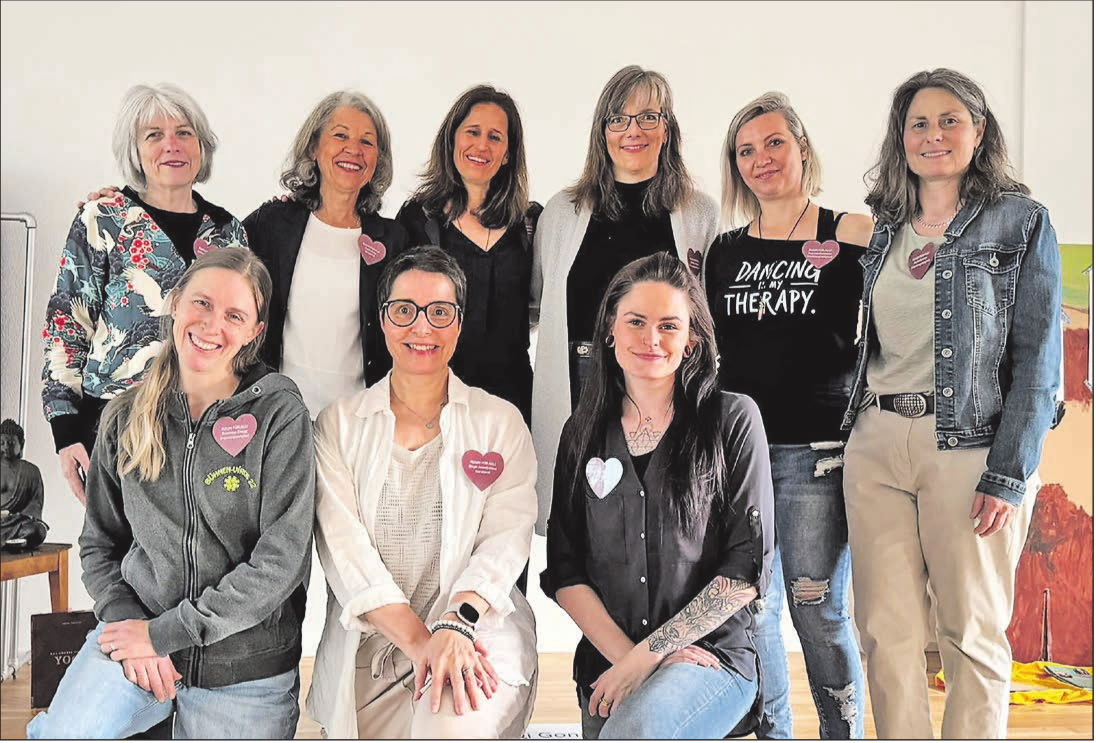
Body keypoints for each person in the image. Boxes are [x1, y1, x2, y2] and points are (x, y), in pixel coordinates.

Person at [842, 68, 1063, 739]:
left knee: (970, 631)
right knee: (885, 632)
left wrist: (1009, 473)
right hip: (877, 441)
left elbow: (1039, 363)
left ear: (979, 130)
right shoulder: (883, 225)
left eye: (949, 121)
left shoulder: (1020, 222)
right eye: (919, 123)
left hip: (970, 448)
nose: (933, 135)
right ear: (901, 136)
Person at [27, 247, 315, 739]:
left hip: (244, 666)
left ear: (255, 331)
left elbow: (280, 561)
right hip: (135, 639)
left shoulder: (279, 414)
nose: (211, 324)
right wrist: (131, 627)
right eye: (201, 303)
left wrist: (164, 635)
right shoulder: (124, 416)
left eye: (234, 315)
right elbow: (100, 546)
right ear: (175, 302)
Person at [306, 245, 538, 738]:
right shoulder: (338, 425)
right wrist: (423, 645)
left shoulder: (500, 423)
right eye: (404, 310)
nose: (422, 327)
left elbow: (505, 540)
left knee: (445, 726)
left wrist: (454, 626)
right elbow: (346, 555)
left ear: (459, 323)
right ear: (382, 319)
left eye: (440, 312)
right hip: (376, 644)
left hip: (474, 634)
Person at [542, 253, 774, 739]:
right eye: (636, 322)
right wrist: (631, 659)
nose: (651, 338)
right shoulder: (580, 433)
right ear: (610, 330)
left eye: (669, 325)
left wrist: (652, 653)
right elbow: (565, 571)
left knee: (639, 730)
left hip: (708, 657)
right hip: (609, 665)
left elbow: (744, 572)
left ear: (692, 340)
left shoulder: (734, 419)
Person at [702, 92, 874, 738]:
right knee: (753, 611)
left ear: (802, 147)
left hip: (817, 454)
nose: (761, 159)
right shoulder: (723, 252)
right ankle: (774, 733)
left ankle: (841, 733)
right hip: (739, 457)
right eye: (746, 151)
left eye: (774, 142)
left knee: (818, 610)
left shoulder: (850, 233)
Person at [531, 64, 719, 530]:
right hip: (581, 379)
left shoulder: (698, 213)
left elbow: (708, 315)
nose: (632, 131)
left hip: (664, 381)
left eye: (648, 117)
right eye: (618, 119)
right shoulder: (562, 213)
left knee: (658, 519)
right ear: (602, 131)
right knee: (581, 521)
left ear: (667, 129)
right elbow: (538, 303)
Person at [43, 83, 247, 505]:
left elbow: (243, 331)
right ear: (135, 150)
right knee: (120, 545)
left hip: (207, 426)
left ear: (202, 146)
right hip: (117, 423)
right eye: (154, 135)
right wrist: (65, 431)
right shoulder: (104, 218)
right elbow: (67, 324)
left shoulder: (229, 233)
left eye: (184, 132)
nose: (172, 145)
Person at [242, 90, 411, 418]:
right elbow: (218, 271)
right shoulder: (272, 224)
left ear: (378, 158)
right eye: (340, 135)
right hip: (279, 418)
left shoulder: (393, 240)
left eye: (367, 141)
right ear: (313, 147)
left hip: (360, 422)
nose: (354, 150)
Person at [395, 84, 541, 424]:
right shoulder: (418, 220)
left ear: (508, 153)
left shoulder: (530, 224)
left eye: (495, 137)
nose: (482, 145)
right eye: (472, 132)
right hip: (435, 403)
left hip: (513, 405)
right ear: (452, 140)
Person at [0, 418, 48, 552]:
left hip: (18, 523)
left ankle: (13, 541)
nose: (6, 447)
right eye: (2, 443)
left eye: (11, 443)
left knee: (38, 530)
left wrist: (17, 516)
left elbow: (36, 503)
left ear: (21, 444)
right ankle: (11, 543)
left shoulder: (31, 471)